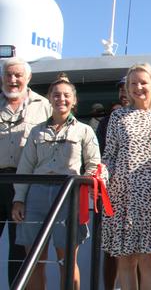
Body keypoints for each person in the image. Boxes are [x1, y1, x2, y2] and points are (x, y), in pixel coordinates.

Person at [11, 73, 103, 290]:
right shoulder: (36, 131)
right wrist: (19, 199)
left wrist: (88, 184)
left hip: (68, 197)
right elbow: (26, 167)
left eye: (66, 95)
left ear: (74, 100)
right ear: (49, 98)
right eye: (56, 95)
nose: (61, 99)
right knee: (34, 262)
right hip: (37, 197)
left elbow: (94, 164)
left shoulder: (85, 130)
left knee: (67, 260)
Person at [101, 63, 151, 290]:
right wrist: (98, 173)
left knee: (148, 260)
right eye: (132, 83)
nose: (138, 87)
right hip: (121, 198)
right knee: (125, 261)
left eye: (143, 82)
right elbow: (109, 156)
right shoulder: (118, 117)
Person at [0, 57, 51, 287]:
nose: (13, 80)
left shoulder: (44, 105)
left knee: (19, 249)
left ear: (28, 78)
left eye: (18, 75)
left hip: (26, 185)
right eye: (9, 75)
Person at [93, 76, 128, 290]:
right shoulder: (107, 122)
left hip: (139, 198)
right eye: (121, 89)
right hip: (110, 197)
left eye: (128, 88)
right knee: (110, 250)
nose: (124, 93)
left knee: (140, 253)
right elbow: (100, 157)